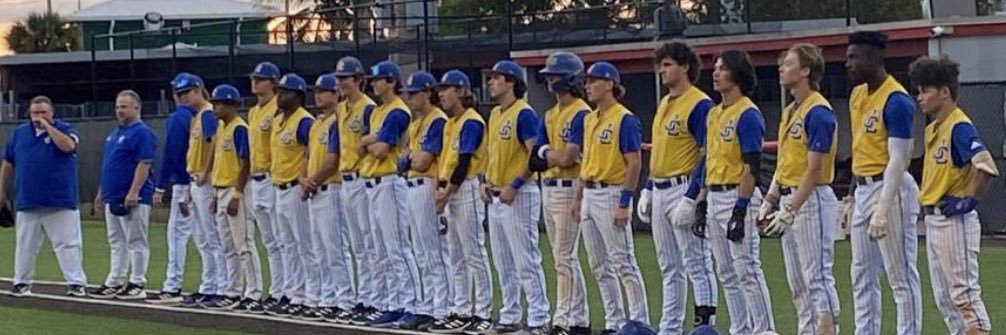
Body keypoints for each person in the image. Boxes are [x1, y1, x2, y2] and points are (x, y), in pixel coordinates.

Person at [909, 55, 995, 335]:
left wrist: (969, 199)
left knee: (963, 295)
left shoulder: (959, 125)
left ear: (945, 92)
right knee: (946, 299)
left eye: (926, 90)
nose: (920, 97)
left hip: (953, 220)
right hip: (934, 219)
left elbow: (985, 166)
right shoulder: (935, 128)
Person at [759, 43, 841, 335]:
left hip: (812, 198)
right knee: (797, 281)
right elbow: (786, 161)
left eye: (789, 63)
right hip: (790, 195)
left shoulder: (818, 111)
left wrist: (791, 207)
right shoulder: (791, 110)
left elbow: (815, 169)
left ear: (806, 70)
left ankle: (828, 329)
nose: (782, 68)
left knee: (817, 275)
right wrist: (771, 199)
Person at [845, 30, 922, 335]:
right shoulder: (857, 95)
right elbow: (860, 147)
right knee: (861, 273)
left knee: (900, 274)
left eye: (854, 57)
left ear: (875, 59)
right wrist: (852, 195)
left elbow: (899, 158)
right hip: (863, 187)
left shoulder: (897, 100)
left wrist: (883, 208)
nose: (848, 63)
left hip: (891, 188)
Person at [639, 41, 719, 334]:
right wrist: (647, 186)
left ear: (685, 67)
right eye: (661, 64)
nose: (663, 69)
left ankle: (705, 326)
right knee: (669, 266)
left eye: (668, 64)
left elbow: (708, 153)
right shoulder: (665, 102)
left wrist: (693, 197)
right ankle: (670, 328)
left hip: (684, 184)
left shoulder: (700, 103)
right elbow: (660, 151)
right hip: (660, 185)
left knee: (696, 261)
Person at [699, 50, 775, 334]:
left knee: (747, 268)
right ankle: (740, 328)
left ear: (738, 74)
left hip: (736, 194)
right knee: (726, 271)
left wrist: (741, 207)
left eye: (723, 69)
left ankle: (763, 329)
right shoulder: (714, 113)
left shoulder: (747, 113)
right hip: (716, 193)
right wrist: (702, 200)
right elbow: (710, 160)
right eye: (716, 68)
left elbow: (752, 166)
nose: (716, 74)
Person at [571, 61, 649, 334]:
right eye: (587, 82)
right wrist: (578, 197)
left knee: (623, 261)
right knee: (598, 264)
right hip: (591, 191)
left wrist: (625, 202)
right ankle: (614, 320)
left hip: (612, 191)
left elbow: (634, 162)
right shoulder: (590, 118)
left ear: (610, 84)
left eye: (594, 81)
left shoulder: (624, 118)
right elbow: (587, 161)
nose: (588, 86)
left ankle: (639, 322)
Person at [482, 60, 551, 335]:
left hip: (520, 194)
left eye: (495, 78)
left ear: (510, 81)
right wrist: (484, 181)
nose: (490, 82)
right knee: (503, 261)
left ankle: (538, 317)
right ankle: (510, 315)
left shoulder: (524, 113)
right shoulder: (496, 114)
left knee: (525, 259)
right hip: (497, 194)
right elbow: (492, 154)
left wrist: (516, 183)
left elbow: (535, 155)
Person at [529, 51, 592, 335]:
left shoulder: (582, 112)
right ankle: (578, 320)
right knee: (562, 257)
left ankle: (563, 320)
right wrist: (552, 154)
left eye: (555, 76)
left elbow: (568, 159)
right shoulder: (549, 114)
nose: (550, 80)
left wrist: (550, 154)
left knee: (564, 257)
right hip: (549, 186)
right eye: (549, 76)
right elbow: (537, 157)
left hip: (571, 188)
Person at [428, 70, 494, 334]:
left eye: (448, 88)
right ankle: (461, 309)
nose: (442, 93)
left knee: (473, 252)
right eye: (441, 89)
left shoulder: (471, 121)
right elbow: (446, 161)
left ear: (462, 91)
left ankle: (484, 313)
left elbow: (464, 162)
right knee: (456, 254)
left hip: (465, 188)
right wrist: (440, 188)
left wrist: (447, 192)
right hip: (451, 189)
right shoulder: (450, 123)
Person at [2, 96, 87, 297]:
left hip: (59, 199)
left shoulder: (66, 129)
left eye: (43, 112)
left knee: (68, 243)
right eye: (35, 113)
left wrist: (48, 127)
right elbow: (8, 162)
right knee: (25, 245)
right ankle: (21, 282)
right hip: (28, 199)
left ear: (52, 113)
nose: (38, 117)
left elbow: (68, 146)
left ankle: (76, 283)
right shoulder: (20, 134)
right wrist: (1, 190)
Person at [358, 60, 421, 327]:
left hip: (389, 182)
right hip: (372, 181)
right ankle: (394, 303)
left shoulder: (397, 111)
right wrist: (371, 139)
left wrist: (371, 140)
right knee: (382, 248)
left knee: (397, 247)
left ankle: (412, 304)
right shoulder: (377, 112)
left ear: (392, 81)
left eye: (379, 79)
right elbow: (363, 145)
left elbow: (381, 150)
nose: (374, 83)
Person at [91, 90, 158, 300]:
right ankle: (115, 279)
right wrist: (102, 192)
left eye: (124, 106)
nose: (120, 110)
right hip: (113, 195)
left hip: (132, 196)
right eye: (118, 106)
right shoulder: (115, 133)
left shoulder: (142, 132)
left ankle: (138, 281)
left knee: (136, 239)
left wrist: (135, 190)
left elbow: (144, 162)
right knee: (116, 241)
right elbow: (109, 165)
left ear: (136, 108)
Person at [300, 74, 356, 322]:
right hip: (314, 190)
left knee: (335, 248)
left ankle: (344, 299)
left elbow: (333, 161)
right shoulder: (316, 123)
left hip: (331, 188)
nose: (318, 94)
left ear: (336, 95)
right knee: (320, 249)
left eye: (324, 91)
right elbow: (308, 156)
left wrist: (313, 180)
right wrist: (304, 178)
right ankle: (327, 296)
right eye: (317, 90)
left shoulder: (337, 121)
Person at [398, 70, 450, 331]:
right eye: (408, 94)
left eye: (414, 93)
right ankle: (427, 306)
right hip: (412, 186)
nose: (410, 98)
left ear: (428, 93)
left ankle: (442, 308)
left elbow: (421, 161)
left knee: (433, 250)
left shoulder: (437, 120)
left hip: (429, 185)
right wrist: (410, 157)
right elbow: (403, 159)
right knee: (421, 250)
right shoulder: (416, 122)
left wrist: (410, 156)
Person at [172, 73, 229, 308]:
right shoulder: (197, 117)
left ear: (198, 90)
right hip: (195, 180)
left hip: (205, 182)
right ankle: (209, 285)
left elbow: (213, 147)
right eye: (180, 93)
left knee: (213, 237)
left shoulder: (207, 114)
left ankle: (221, 286)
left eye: (186, 92)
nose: (183, 97)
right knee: (202, 238)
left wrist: (205, 173)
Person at [332, 56, 381, 325]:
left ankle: (374, 298)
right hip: (345, 179)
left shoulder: (368, 107)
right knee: (357, 244)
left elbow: (374, 142)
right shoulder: (341, 108)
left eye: (346, 79)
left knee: (368, 241)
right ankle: (363, 297)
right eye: (339, 79)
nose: (341, 84)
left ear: (359, 80)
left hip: (363, 177)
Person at [203, 84, 262, 311]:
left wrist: (237, 194)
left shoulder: (239, 128)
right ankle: (232, 290)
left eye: (219, 104)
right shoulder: (221, 127)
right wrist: (216, 195)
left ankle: (254, 292)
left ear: (231, 105)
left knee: (244, 244)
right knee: (228, 246)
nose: (215, 107)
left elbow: (246, 163)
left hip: (236, 190)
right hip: (220, 189)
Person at [265, 73, 315, 318]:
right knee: (286, 245)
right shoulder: (278, 120)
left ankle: (308, 294)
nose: (279, 95)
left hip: (296, 189)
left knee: (303, 244)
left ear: (297, 96)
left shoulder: (304, 121)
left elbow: (311, 152)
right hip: (278, 187)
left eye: (284, 92)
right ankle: (294, 293)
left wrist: (304, 178)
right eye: (279, 91)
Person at [147, 80, 197, 306]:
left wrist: (160, 185)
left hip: (184, 182)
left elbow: (172, 152)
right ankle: (217, 286)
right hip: (203, 182)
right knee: (208, 238)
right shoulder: (206, 115)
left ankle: (172, 286)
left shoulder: (179, 117)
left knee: (178, 235)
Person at [247, 62, 284, 314]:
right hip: (255, 179)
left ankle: (284, 291)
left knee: (282, 240)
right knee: (269, 240)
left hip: (272, 178)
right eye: (255, 78)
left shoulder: (277, 109)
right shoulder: (253, 112)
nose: (256, 82)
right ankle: (276, 289)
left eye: (261, 79)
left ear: (273, 83)